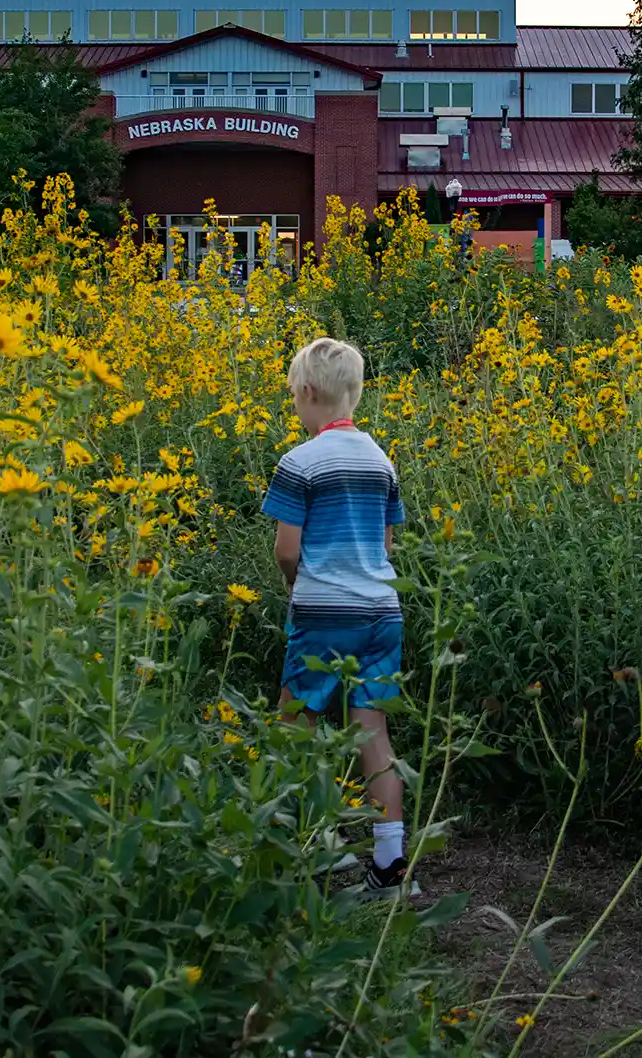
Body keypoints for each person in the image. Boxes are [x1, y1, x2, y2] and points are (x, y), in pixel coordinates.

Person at [262, 337, 412, 895]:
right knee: (371, 731)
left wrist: (295, 587)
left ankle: (302, 846)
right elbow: (387, 543)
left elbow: (285, 550)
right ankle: (390, 868)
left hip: (323, 612)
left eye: (292, 399)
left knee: (295, 727)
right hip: (381, 611)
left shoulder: (299, 463)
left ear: (305, 393)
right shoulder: (380, 461)